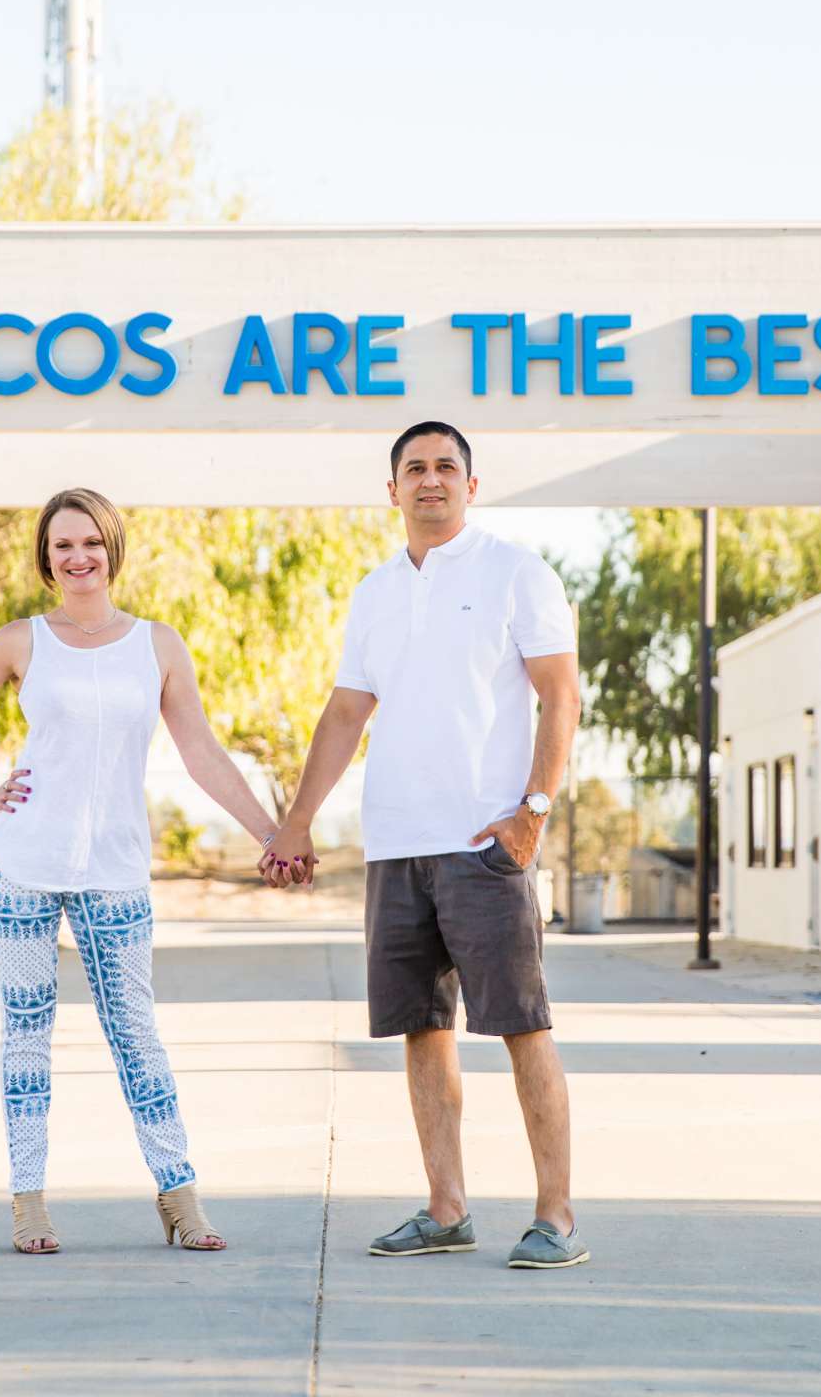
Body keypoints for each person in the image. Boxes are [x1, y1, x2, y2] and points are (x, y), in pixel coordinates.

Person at [0, 487, 286, 1257]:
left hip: (115, 870)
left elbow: (201, 753)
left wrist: (272, 832)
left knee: (136, 1034)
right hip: (22, 866)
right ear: (46, 560)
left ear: (113, 550)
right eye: (62, 546)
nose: (78, 558)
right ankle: (29, 1204)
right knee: (26, 1039)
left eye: (90, 544)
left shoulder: (157, 644)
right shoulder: (22, 641)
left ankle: (180, 1199)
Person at [265, 421, 590, 1269]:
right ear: (393, 489)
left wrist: (533, 811)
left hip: (486, 843)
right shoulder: (373, 592)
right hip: (396, 845)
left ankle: (555, 1217)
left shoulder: (517, 573)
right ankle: (447, 1209)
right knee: (422, 1030)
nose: (431, 480)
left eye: (448, 467)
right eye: (415, 468)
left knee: (524, 1026)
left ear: (472, 487)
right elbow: (346, 714)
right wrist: (297, 823)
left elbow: (561, 695)